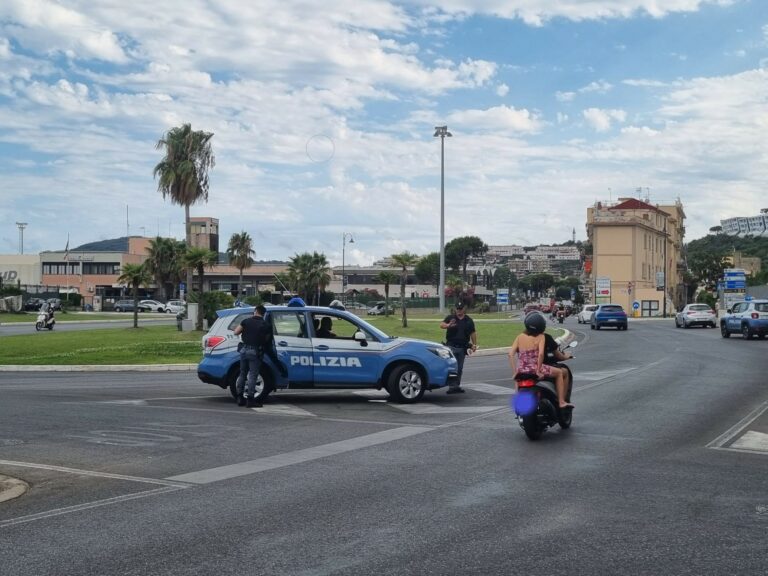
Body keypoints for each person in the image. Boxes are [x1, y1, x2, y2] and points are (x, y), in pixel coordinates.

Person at [508, 312, 573, 409]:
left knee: (518, 379)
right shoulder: (541, 337)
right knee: (559, 373)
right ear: (542, 326)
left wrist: (515, 372)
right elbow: (541, 354)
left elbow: (510, 354)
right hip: (535, 368)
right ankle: (561, 402)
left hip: (521, 368)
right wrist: (538, 371)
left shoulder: (519, 337)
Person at [233, 305, 272, 408]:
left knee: (242, 374)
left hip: (244, 349)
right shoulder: (265, 324)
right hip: (255, 351)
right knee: (253, 375)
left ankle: (240, 397)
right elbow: (267, 340)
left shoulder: (246, 321)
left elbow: (236, 332)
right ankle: (250, 400)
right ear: (263, 314)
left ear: (255, 311)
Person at [440, 301, 477, 394]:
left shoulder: (468, 320)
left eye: (460, 309)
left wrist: (474, 344)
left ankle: (456, 385)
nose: (458, 311)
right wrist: (448, 325)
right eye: (457, 309)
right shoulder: (451, 318)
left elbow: (473, 333)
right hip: (451, 347)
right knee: (452, 367)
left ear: (463, 309)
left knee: (459, 368)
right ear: (455, 309)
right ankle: (452, 386)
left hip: (462, 348)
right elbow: (441, 325)